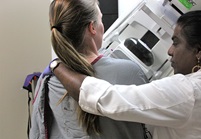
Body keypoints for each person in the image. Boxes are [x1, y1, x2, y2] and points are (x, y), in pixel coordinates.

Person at [51, 10, 201, 139]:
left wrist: (56, 65)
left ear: (200, 50)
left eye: (176, 42)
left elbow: (106, 99)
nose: (169, 51)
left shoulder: (189, 91)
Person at [29, 0, 151, 138]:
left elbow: (37, 133)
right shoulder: (129, 72)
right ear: (92, 27)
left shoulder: (48, 80)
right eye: (100, 19)